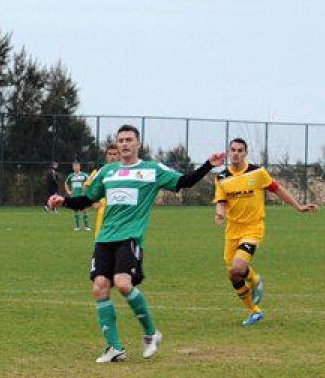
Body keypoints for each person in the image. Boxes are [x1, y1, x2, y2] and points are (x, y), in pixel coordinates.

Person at [48, 123, 226, 362]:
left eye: (128, 140)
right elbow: (87, 199)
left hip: (129, 237)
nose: (124, 144)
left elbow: (184, 181)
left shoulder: (152, 170)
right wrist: (64, 201)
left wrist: (208, 165)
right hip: (104, 238)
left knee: (122, 283)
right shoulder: (107, 172)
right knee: (99, 287)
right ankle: (115, 348)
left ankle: (151, 334)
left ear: (138, 143)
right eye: (120, 140)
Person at [213, 137, 317, 326]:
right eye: (233, 150)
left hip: (253, 229)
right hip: (232, 231)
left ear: (245, 153)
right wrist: (220, 214)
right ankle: (255, 311)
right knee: (233, 274)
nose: (236, 153)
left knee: (238, 267)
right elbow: (221, 201)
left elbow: (278, 190)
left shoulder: (258, 173)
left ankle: (255, 279)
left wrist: (298, 207)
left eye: (240, 150)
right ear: (229, 152)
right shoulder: (221, 177)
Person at [87, 145, 120, 239]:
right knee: (101, 243)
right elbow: (87, 187)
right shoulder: (102, 171)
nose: (112, 157)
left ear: (119, 155)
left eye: (115, 154)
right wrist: (93, 203)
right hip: (104, 213)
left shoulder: (126, 170)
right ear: (106, 156)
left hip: (121, 213)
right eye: (110, 154)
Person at [64, 162, 90, 230]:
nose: (76, 167)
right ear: (73, 168)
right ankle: (77, 226)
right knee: (76, 211)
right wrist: (68, 191)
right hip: (74, 195)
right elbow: (66, 183)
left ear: (79, 167)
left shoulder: (84, 175)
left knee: (84, 210)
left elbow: (89, 182)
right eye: (74, 166)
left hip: (82, 195)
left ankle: (86, 226)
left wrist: (87, 191)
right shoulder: (71, 176)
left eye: (77, 166)